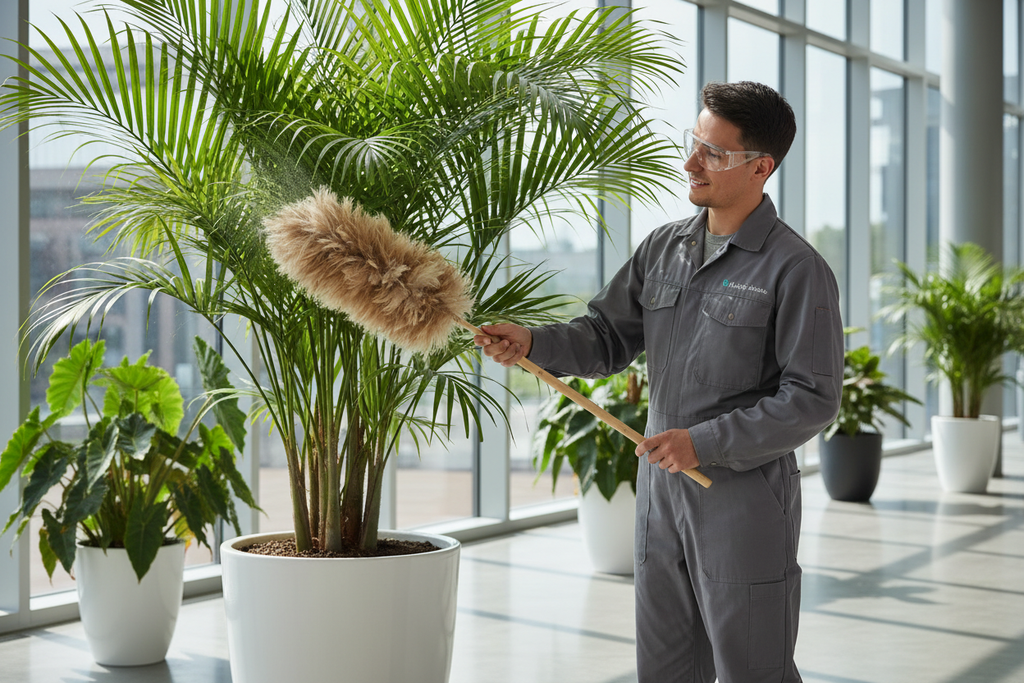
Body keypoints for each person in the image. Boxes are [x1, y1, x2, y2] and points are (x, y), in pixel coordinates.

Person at [475, 81, 843, 683]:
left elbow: (812, 398)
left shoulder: (795, 268)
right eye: (693, 142)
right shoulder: (664, 247)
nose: (691, 162)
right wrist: (535, 342)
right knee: (666, 666)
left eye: (714, 153)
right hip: (661, 492)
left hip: (741, 496)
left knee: (753, 667)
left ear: (761, 168)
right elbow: (604, 335)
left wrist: (705, 442)